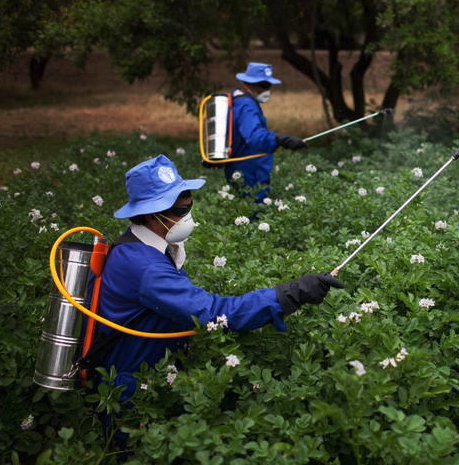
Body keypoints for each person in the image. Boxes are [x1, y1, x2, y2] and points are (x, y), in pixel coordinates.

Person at [96, 154, 343, 400]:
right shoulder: (145, 266)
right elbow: (214, 314)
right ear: (150, 214)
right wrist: (291, 293)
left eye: (189, 205)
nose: (187, 216)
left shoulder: (143, 247)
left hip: (152, 375)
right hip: (130, 390)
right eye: (179, 210)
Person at [224, 62, 306, 202]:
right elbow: (255, 137)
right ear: (249, 83)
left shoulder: (239, 100)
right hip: (250, 172)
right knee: (255, 211)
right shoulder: (247, 106)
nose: (267, 90)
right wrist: (281, 139)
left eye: (268, 85)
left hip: (246, 168)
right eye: (263, 85)